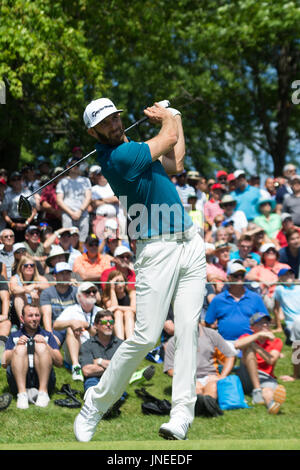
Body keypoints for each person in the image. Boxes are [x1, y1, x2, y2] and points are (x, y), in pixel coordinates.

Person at [74, 98, 206, 442]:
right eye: (105, 124)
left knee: (188, 330)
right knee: (146, 336)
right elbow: (168, 140)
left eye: (115, 118)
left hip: (190, 242)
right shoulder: (118, 157)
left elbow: (175, 162)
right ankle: (96, 403)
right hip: (157, 248)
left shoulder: (133, 147)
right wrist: (169, 117)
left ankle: (181, 416)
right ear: (93, 132)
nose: (114, 125)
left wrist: (173, 118)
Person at [164, 322, 235, 416]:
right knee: (196, 389)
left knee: (212, 387)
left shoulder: (211, 334)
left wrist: (222, 377)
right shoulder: (173, 341)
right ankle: (206, 407)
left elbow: (230, 355)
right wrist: (188, 379)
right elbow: (170, 370)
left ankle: (204, 406)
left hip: (211, 376)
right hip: (188, 378)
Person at [2, 304, 63, 409]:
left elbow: (59, 362)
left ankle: (43, 393)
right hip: (18, 380)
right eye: (30, 315)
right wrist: (16, 348)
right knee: (20, 349)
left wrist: (47, 345)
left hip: (44, 379)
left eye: (37, 315)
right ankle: (22, 395)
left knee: (41, 347)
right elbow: (3, 363)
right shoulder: (14, 336)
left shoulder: (47, 335)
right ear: (22, 318)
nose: (34, 319)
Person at [205, 261, 268, 345]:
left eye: (241, 276)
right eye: (235, 276)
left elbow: (265, 321)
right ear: (228, 278)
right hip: (225, 343)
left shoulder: (255, 298)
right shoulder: (218, 299)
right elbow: (208, 322)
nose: (239, 279)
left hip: (250, 342)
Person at [234, 312, 286, 414]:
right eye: (261, 323)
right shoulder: (246, 336)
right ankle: (257, 390)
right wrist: (258, 336)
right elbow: (237, 345)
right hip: (246, 375)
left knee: (268, 391)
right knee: (248, 348)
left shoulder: (276, 341)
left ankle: (271, 405)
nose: (265, 325)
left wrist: (256, 346)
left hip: (265, 376)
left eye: (267, 322)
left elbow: (271, 360)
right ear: (252, 327)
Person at [53, 281, 102, 382]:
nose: (92, 294)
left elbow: (102, 336)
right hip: (76, 350)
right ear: (79, 297)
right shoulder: (72, 310)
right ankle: (76, 367)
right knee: (71, 328)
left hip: (94, 351)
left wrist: (87, 326)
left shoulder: (100, 312)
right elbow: (56, 325)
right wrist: (72, 322)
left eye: (94, 291)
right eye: (87, 292)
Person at [79, 310, 123, 392]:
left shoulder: (121, 345)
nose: (108, 325)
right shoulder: (87, 345)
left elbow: (123, 368)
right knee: (92, 392)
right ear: (95, 325)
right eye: (104, 322)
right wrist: (114, 367)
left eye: (111, 322)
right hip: (93, 380)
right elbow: (87, 371)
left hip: (114, 380)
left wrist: (99, 361)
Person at [56, 156, 92, 250]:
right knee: (67, 238)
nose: (76, 166)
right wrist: (71, 213)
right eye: (73, 164)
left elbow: (88, 197)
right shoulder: (62, 182)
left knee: (83, 240)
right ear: (67, 166)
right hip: (68, 214)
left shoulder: (86, 180)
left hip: (83, 213)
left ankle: (82, 258)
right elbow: (59, 200)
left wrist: (80, 211)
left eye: (78, 164)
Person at [246, 243, 290, 319]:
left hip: (283, 296)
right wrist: (261, 280)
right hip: (267, 298)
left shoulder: (284, 266)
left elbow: (290, 279)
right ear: (263, 255)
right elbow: (248, 276)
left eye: (273, 251)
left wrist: (274, 283)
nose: (271, 252)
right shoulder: (259, 268)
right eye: (268, 251)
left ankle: (279, 316)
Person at [40, 262, 78, 347]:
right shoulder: (47, 293)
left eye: (67, 273)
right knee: (51, 345)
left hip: (74, 327)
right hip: (56, 329)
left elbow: (97, 298)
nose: (65, 276)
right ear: (55, 276)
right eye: (61, 273)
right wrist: (50, 334)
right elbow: (47, 315)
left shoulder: (77, 291)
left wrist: (80, 286)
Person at [9, 255, 49, 324]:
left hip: (36, 306)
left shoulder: (40, 278)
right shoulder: (15, 278)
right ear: (21, 267)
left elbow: (47, 286)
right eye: (26, 265)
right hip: (22, 307)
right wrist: (28, 291)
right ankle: (23, 324)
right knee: (18, 297)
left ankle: (37, 324)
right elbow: (14, 289)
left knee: (39, 295)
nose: (29, 267)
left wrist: (34, 285)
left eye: (32, 265)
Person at [1, 171, 37, 242]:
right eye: (14, 179)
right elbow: (4, 213)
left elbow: (34, 210)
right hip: (12, 223)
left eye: (19, 179)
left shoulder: (28, 193)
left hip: (27, 222)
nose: (17, 181)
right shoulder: (7, 195)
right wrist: (12, 224)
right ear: (10, 182)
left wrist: (26, 223)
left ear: (22, 180)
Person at [101, 270, 136, 340]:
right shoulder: (107, 297)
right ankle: (120, 342)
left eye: (122, 281)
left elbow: (134, 309)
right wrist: (112, 289)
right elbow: (112, 310)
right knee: (117, 313)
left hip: (132, 321)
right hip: (111, 323)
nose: (120, 285)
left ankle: (130, 341)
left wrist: (117, 307)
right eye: (116, 282)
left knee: (128, 313)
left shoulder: (132, 293)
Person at [274, 267, 300, 339]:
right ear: (281, 278)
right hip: (291, 322)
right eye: (286, 274)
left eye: (291, 274)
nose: (289, 276)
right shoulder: (279, 289)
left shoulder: (298, 287)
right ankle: (291, 335)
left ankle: (290, 336)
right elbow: (276, 309)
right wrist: (279, 327)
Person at [39, 167, 63, 231]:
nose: (61, 176)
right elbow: (43, 202)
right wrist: (56, 212)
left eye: (63, 174)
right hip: (51, 220)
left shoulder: (69, 188)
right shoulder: (48, 188)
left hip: (66, 219)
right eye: (58, 174)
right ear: (53, 176)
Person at [0, 274, 11, 339]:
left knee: (6, 324)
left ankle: (1, 345)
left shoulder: (0, 278)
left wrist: (4, 315)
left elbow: (5, 298)